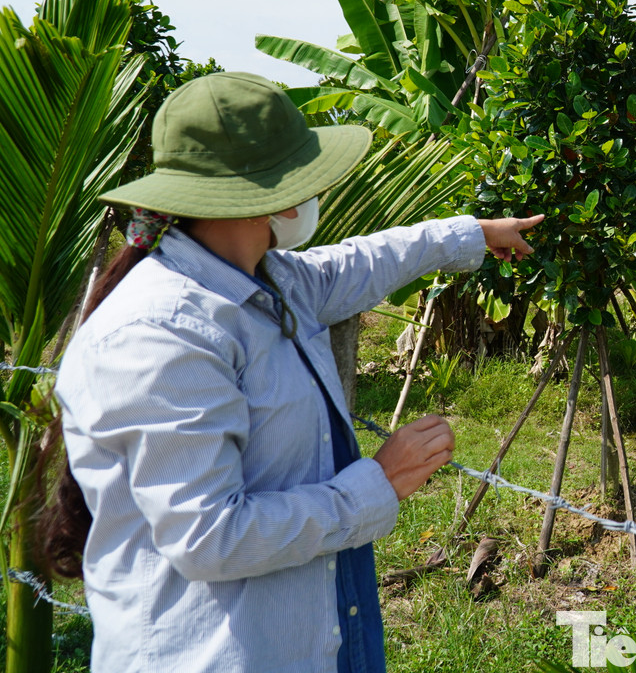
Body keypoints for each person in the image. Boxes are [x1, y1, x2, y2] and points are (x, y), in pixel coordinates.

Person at [43, 71, 542, 673]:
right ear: (276, 196)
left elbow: (358, 264)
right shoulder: (162, 331)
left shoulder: (268, 279)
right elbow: (209, 537)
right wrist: (377, 483)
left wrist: (471, 235)